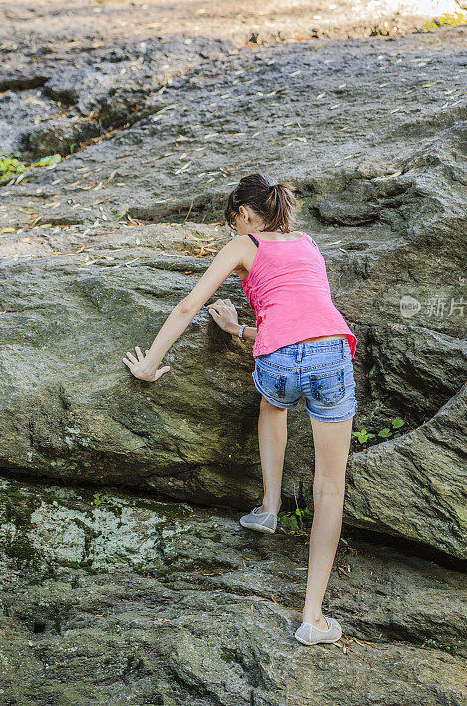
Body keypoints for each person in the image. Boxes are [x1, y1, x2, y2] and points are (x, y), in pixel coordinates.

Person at [122, 172, 357, 646]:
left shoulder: (243, 245)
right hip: (331, 353)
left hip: (279, 362)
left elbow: (190, 305)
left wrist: (150, 362)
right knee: (329, 487)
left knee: (274, 404)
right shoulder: (309, 244)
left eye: (234, 222)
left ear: (245, 216)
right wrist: (239, 331)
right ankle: (312, 617)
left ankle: (269, 507)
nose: (234, 230)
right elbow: (306, 317)